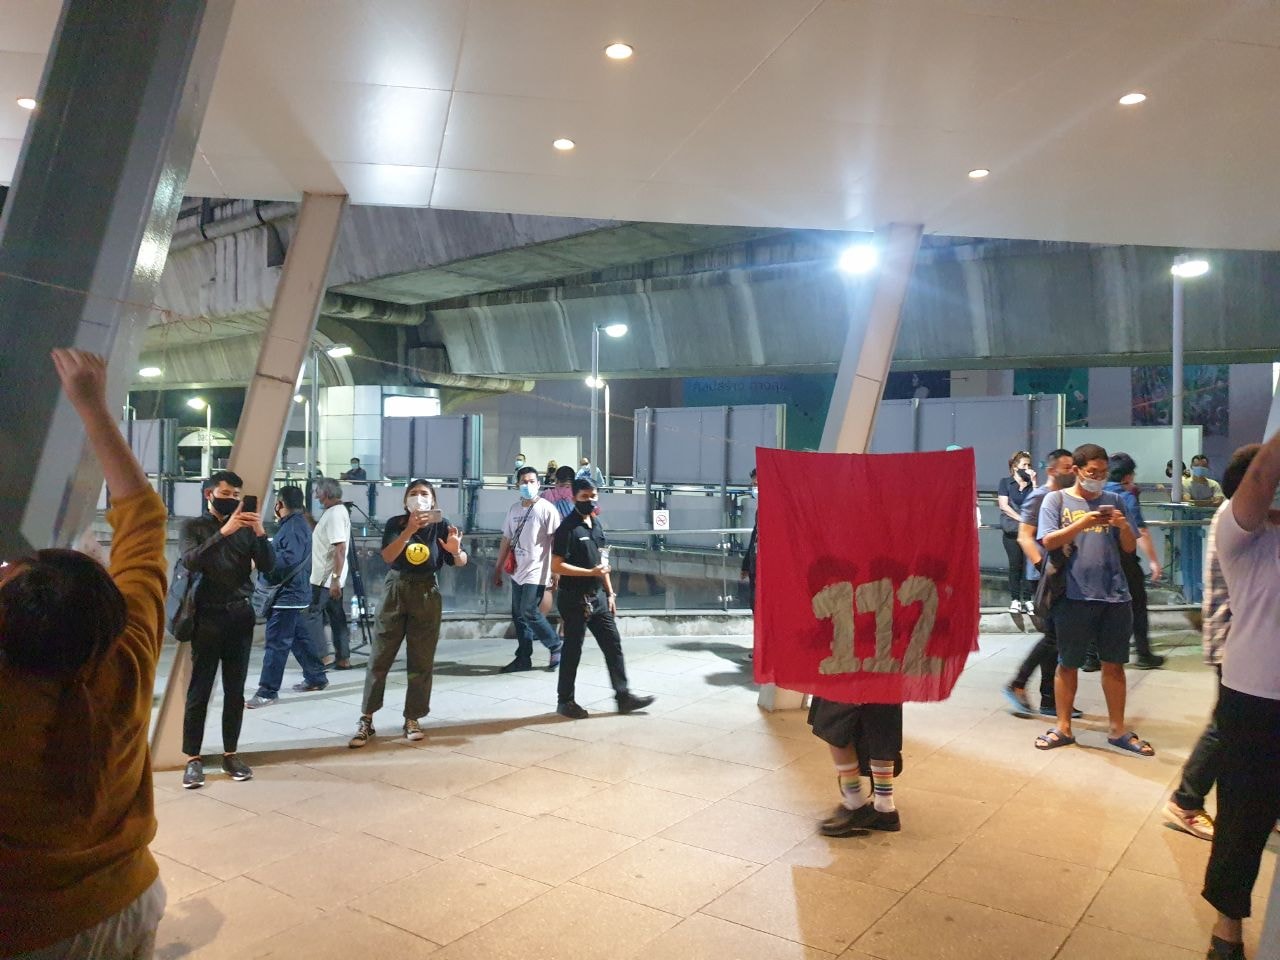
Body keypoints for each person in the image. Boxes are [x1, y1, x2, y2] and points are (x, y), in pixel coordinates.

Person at [0, 349, 169, 959]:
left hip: (27, 931)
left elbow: (141, 524)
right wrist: (94, 408)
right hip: (127, 903)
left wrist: (86, 403)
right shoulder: (127, 656)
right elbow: (145, 523)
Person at [1200, 436, 1280, 960]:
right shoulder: (1238, 529)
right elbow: (1258, 479)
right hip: (1255, 694)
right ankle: (1228, 926)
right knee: (1243, 817)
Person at [1164, 454, 1264, 842]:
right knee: (1227, 725)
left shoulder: (1244, 516)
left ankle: (1261, 802)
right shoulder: (1235, 519)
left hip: (1247, 642)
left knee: (1251, 727)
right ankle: (1186, 801)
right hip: (1234, 642)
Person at [1034, 443, 1154, 757]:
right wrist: (1082, 524)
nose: (1098, 478)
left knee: (1114, 665)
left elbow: (1129, 548)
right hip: (1073, 595)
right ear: (1076, 470)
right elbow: (1047, 540)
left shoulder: (1114, 499)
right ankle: (1063, 726)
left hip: (1115, 595)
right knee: (1068, 663)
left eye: (1102, 473)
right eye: (1092, 473)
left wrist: (1123, 525)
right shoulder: (1055, 500)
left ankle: (1117, 729)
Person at [349, 480, 468, 747]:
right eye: (413, 494)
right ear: (405, 501)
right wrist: (409, 530)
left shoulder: (442, 525)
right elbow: (388, 556)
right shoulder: (396, 523)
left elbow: (460, 561)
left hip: (427, 591)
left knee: (421, 660)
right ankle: (366, 719)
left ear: (433, 501)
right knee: (380, 656)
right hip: (397, 589)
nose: (418, 497)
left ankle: (412, 717)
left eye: (424, 494)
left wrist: (455, 550)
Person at [178, 471, 274, 788]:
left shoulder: (247, 531)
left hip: (239, 616)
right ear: (209, 494)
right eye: (225, 492)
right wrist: (224, 531)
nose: (231, 498)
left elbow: (270, 567)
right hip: (206, 617)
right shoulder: (193, 527)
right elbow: (191, 560)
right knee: (200, 690)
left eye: (235, 494)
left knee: (235, 691)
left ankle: (230, 754)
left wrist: (258, 531)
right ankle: (192, 759)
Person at [550, 477, 653, 719]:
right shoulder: (567, 528)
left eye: (593, 495)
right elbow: (557, 564)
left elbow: (602, 562)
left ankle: (623, 696)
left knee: (613, 644)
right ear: (574, 497)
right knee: (573, 650)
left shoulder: (596, 525)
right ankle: (565, 701)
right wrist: (589, 573)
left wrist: (610, 593)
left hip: (596, 598)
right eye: (584, 496)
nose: (590, 500)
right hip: (573, 598)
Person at [1003, 448, 1078, 717]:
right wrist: (1042, 567)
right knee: (1053, 637)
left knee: (1056, 639)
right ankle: (1022, 685)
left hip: (1061, 574)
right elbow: (1025, 536)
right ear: (1052, 470)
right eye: (1067, 467)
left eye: (1073, 467)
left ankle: (1048, 697)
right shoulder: (1039, 496)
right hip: (1045, 577)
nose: (1073, 471)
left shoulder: (1065, 498)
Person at [247, 486, 326, 708]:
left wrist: (263, 560)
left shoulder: (293, 527)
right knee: (299, 638)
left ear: (280, 504)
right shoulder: (296, 524)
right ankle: (316, 677)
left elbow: (287, 559)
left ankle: (267, 691)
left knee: (277, 643)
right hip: (293, 594)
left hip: (287, 595)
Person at [493, 466, 563, 673]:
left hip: (538, 569)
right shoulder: (514, 509)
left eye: (532, 481)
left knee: (529, 611)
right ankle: (523, 657)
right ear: (517, 485)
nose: (528, 485)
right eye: (524, 481)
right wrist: (498, 568)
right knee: (518, 615)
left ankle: (554, 644)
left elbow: (555, 540)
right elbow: (506, 539)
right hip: (517, 570)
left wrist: (555, 569)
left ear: (539, 484)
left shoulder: (547, 509)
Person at [1105, 453, 1166, 669]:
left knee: (1098, 607)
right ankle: (1143, 654)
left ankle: (1091, 657)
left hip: (1098, 561)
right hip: (1125, 560)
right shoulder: (1126, 496)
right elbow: (1140, 530)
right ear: (1128, 475)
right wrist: (1154, 561)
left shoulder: (1096, 495)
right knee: (1137, 606)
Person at [812, 699, 905, 836]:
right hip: (886, 678)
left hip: (850, 678)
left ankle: (854, 802)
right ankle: (884, 806)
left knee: (836, 720)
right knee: (882, 715)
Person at [309, 478, 352, 670]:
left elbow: (340, 548)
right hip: (329, 577)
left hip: (325, 578)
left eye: (317, 491)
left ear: (326, 492)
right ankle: (343, 657)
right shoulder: (334, 513)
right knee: (336, 616)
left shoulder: (334, 514)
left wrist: (334, 579)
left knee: (312, 615)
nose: (315, 494)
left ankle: (322, 656)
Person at [997, 450, 1036, 613]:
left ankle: (1028, 599)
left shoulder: (1031, 485)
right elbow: (1004, 505)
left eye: (1029, 465)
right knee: (1015, 565)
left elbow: (1039, 500)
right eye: (1023, 465)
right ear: (1014, 467)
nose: (1026, 468)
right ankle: (1015, 599)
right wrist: (1021, 518)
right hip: (1012, 531)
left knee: (1029, 565)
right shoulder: (1006, 483)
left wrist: (1034, 482)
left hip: (1029, 532)